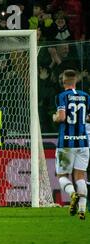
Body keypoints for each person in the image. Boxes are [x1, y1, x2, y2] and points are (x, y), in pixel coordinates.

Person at [53, 70, 90, 220]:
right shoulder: (86, 96)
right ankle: (82, 210)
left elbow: (61, 117)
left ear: (63, 82)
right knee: (80, 176)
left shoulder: (61, 96)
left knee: (62, 175)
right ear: (76, 81)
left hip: (66, 142)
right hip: (83, 142)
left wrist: (55, 117)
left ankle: (72, 194)